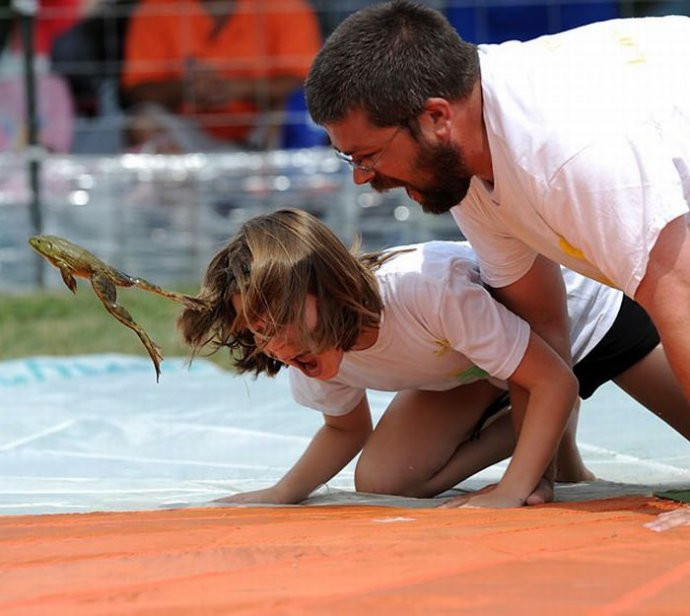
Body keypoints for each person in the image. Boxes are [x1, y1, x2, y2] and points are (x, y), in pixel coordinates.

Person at [304, 1, 690, 407]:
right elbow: (540, 326)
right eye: (350, 159)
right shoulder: (465, 157)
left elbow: (681, 301)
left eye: (368, 156)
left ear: (436, 117)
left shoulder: (564, 153)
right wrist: (544, 470)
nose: (361, 177)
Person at [178, 209, 690, 509]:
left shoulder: (425, 291)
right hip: (486, 364)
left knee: (548, 388)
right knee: (385, 479)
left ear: (329, 289)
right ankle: (545, 435)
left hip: (588, 321)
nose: (276, 344)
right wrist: (283, 492)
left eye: (282, 319)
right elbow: (344, 430)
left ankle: (550, 442)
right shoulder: (308, 352)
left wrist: (511, 492)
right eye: (258, 331)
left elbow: (554, 380)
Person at [120, 0, 322, 151]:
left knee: (296, 111)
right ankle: (183, 201)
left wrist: (235, 88)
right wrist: (190, 88)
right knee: (142, 122)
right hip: (188, 135)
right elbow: (137, 91)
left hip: (263, 131)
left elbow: (308, 84)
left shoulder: (285, 6)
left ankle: (280, 197)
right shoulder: (155, 8)